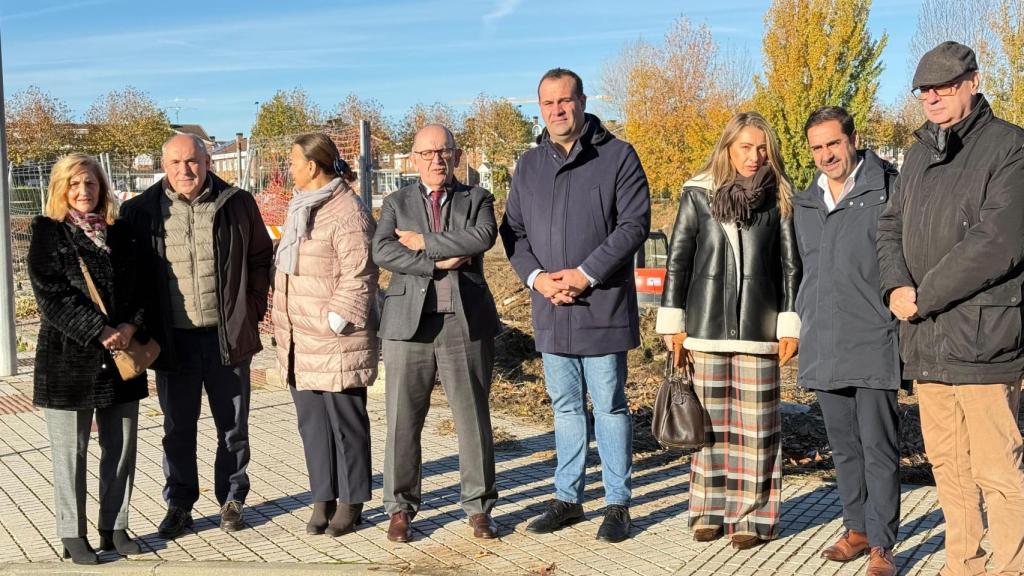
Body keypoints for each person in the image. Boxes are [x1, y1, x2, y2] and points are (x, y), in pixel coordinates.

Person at [877, 41, 1024, 576]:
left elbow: (998, 241)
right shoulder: (916, 154)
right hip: (925, 338)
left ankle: (1009, 567)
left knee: (997, 469)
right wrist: (894, 286)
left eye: (943, 86)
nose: (932, 97)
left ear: (972, 82)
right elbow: (889, 228)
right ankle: (963, 563)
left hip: (983, 338)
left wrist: (925, 294)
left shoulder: (1010, 148)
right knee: (949, 467)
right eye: (923, 90)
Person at [500, 68, 651, 543]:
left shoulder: (618, 156)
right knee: (565, 408)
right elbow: (513, 234)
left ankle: (617, 504)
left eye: (565, 101)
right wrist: (538, 279)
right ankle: (567, 498)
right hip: (550, 308)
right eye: (547, 103)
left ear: (583, 101)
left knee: (608, 405)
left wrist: (586, 274)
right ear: (539, 108)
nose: (557, 110)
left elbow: (633, 225)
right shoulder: (528, 165)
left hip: (601, 305)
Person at [655, 112, 800, 550]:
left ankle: (753, 516)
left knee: (758, 431)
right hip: (703, 329)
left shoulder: (779, 197)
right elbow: (678, 259)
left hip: (760, 329)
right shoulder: (698, 193)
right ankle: (708, 510)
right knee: (710, 427)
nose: (754, 157)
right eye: (745, 147)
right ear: (728, 147)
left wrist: (790, 324)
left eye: (761, 148)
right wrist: (672, 322)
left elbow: (791, 266)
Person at [120, 134, 273, 538]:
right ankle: (179, 503)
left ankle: (232, 498)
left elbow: (261, 258)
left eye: (192, 161)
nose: (184, 170)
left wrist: (252, 309)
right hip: (173, 341)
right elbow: (128, 275)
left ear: (207, 162)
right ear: (163, 165)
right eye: (175, 163)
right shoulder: (141, 212)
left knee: (233, 426)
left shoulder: (237, 203)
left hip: (227, 337)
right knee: (178, 427)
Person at [372, 124, 501, 543]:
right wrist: (439, 261)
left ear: (457, 155)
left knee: (472, 419)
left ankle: (479, 507)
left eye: (444, 151)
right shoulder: (396, 202)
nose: (436, 160)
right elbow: (382, 250)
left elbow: (482, 236)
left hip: (465, 323)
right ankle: (400, 508)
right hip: (408, 327)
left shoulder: (477, 198)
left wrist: (423, 241)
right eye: (427, 153)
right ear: (413, 159)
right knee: (402, 421)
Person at [794, 106, 901, 576]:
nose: (826, 155)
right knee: (844, 446)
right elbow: (801, 271)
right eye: (817, 147)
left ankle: (882, 544)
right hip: (825, 339)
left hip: (874, 335)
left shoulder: (887, 189)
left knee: (879, 445)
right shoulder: (805, 202)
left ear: (853, 138)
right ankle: (856, 529)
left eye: (833, 143)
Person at [28, 153, 148, 564]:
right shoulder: (48, 233)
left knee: (122, 446)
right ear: (61, 189)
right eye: (75, 184)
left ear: (102, 188)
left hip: (121, 359)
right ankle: (71, 532)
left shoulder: (121, 232)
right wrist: (99, 331)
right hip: (67, 361)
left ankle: (114, 526)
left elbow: (141, 287)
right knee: (70, 453)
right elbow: (52, 297)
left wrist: (130, 325)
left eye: (91, 184)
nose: (83, 192)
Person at [272, 133, 377, 537]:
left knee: (346, 424)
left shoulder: (347, 210)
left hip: (335, 340)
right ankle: (323, 496)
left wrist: (337, 320)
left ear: (313, 166)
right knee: (312, 425)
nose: (290, 169)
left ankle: (352, 502)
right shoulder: (300, 207)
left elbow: (360, 273)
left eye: (294, 161)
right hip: (300, 338)